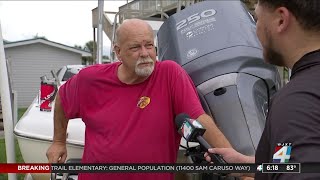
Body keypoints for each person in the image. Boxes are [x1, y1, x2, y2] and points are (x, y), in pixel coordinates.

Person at [46, 18, 232, 180]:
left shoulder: (169, 74)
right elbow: (63, 98)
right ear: (118, 52)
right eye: (135, 47)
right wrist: (58, 141)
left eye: (149, 45)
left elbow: (199, 119)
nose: (145, 53)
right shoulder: (90, 79)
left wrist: (240, 169)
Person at [205, 0, 320, 179]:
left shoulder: (295, 103)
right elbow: (287, 163)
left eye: (256, 18)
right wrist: (244, 164)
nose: (255, 29)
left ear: (281, 20)